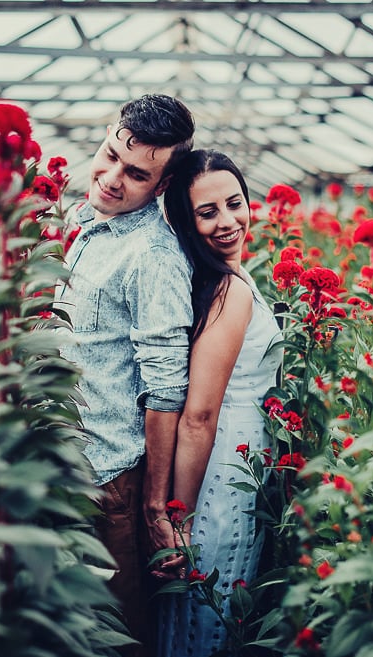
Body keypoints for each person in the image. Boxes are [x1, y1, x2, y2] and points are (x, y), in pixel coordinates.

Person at [55, 94, 196, 657]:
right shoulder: (82, 223)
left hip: (105, 481)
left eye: (136, 174)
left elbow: (166, 390)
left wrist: (154, 505)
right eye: (110, 155)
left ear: (161, 187)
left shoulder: (152, 256)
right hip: (57, 467)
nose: (112, 178)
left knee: (113, 633)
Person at [158, 150, 283, 657]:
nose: (228, 221)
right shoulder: (228, 290)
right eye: (207, 213)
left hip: (234, 463)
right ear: (187, 223)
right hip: (223, 470)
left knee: (207, 603)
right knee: (212, 601)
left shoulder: (221, 279)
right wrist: (181, 518)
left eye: (234, 203)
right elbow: (199, 416)